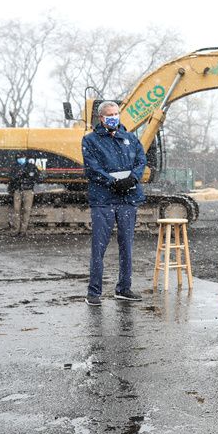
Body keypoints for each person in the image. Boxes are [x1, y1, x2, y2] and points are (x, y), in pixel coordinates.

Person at [81, 101, 146, 307]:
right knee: (99, 247)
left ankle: (124, 288)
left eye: (117, 113)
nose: (114, 117)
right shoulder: (90, 140)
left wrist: (133, 179)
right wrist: (113, 182)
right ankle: (94, 292)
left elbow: (141, 161)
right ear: (101, 118)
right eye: (110, 114)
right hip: (103, 200)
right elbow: (92, 168)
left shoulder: (130, 138)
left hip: (128, 198)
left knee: (126, 244)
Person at [8, 157, 42, 235]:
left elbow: (39, 178)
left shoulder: (31, 166)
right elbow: (11, 177)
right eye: (19, 157)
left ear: (25, 158)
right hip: (18, 190)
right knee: (17, 210)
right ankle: (16, 230)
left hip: (28, 190)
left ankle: (23, 230)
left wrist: (30, 179)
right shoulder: (15, 167)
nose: (20, 159)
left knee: (26, 210)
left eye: (22, 157)